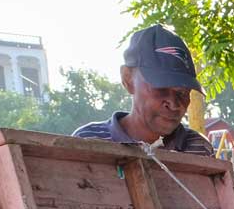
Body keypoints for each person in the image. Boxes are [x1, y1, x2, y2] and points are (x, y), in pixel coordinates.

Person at [73, 25, 214, 155]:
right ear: (128, 79)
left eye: (182, 93)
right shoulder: (87, 142)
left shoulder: (199, 148)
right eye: (161, 87)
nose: (174, 104)